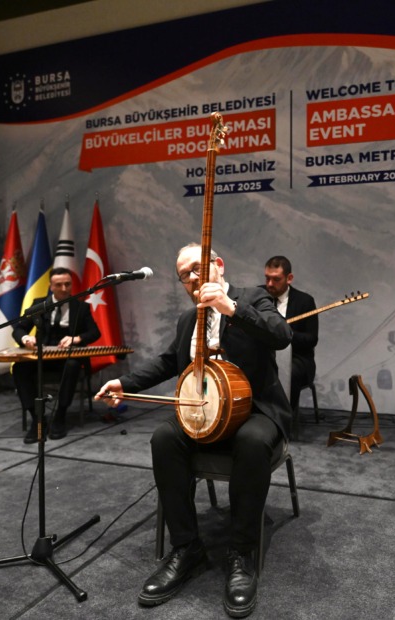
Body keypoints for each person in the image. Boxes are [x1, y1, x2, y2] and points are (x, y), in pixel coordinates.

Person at [96, 243, 292, 618]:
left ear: (219, 264)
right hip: (205, 413)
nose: (191, 278)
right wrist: (124, 383)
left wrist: (230, 308)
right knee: (164, 438)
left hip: (255, 410)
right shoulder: (189, 319)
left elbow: (281, 334)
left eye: (197, 268)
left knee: (251, 442)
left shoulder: (252, 297)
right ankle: (187, 547)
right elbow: (168, 362)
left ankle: (241, 553)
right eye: (184, 275)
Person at [13, 267, 100, 443]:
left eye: (67, 284)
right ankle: (37, 418)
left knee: (72, 366)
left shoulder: (81, 307)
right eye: (59, 285)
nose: (64, 288)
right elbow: (19, 329)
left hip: (67, 358)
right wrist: (26, 338)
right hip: (42, 356)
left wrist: (76, 338)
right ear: (51, 286)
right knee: (19, 368)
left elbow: (94, 332)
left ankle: (60, 415)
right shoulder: (39, 305)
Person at [261, 256, 318, 415]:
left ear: (289, 278)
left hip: (297, 358)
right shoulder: (258, 295)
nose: (270, 284)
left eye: (276, 279)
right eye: (267, 278)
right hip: (263, 355)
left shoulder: (305, 301)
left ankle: (283, 419)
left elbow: (311, 339)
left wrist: (285, 331)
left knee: (288, 373)